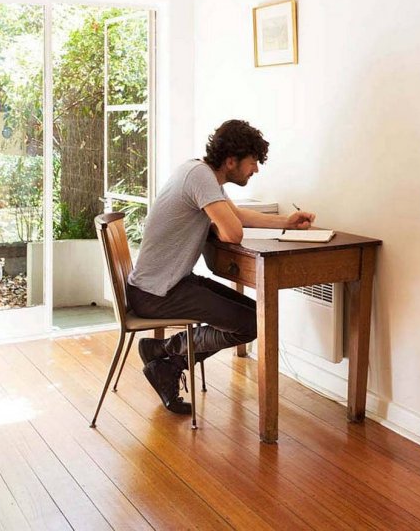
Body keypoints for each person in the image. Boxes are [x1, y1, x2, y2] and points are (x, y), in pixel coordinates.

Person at [126, 119, 315, 414]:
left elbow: (235, 215)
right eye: (252, 162)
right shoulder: (200, 178)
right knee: (253, 323)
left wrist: (286, 223)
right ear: (230, 161)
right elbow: (233, 233)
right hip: (157, 294)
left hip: (166, 285)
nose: (256, 170)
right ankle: (167, 356)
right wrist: (219, 223)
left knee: (257, 316)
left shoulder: (199, 172)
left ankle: (163, 356)